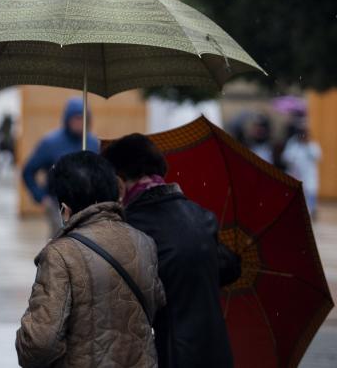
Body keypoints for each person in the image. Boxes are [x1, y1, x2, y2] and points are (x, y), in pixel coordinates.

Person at [102, 134, 241, 368]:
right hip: (215, 354)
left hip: (169, 355)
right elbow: (228, 267)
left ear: (119, 180)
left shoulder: (132, 228)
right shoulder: (200, 216)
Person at [16, 151, 166, 367]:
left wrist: (23, 340)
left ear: (65, 210)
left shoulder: (59, 254)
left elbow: (40, 343)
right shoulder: (144, 242)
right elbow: (156, 304)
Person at [22, 98, 99, 236]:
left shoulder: (94, 144)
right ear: (67, 119)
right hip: (58, 207)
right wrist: (41, 197)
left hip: (89, 208)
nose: (79, 122)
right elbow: (28, 171)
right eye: (75, 118)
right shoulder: (51, 143)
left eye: (82, 118)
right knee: (60, 246)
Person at [282, 124, 321, 218]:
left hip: (309, 175)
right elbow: (286, 157)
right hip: (296, 174)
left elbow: (317, 157)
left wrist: (307, 146)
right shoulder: (293, 145)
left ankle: (311, 211)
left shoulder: (313, 145)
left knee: (310, 192)